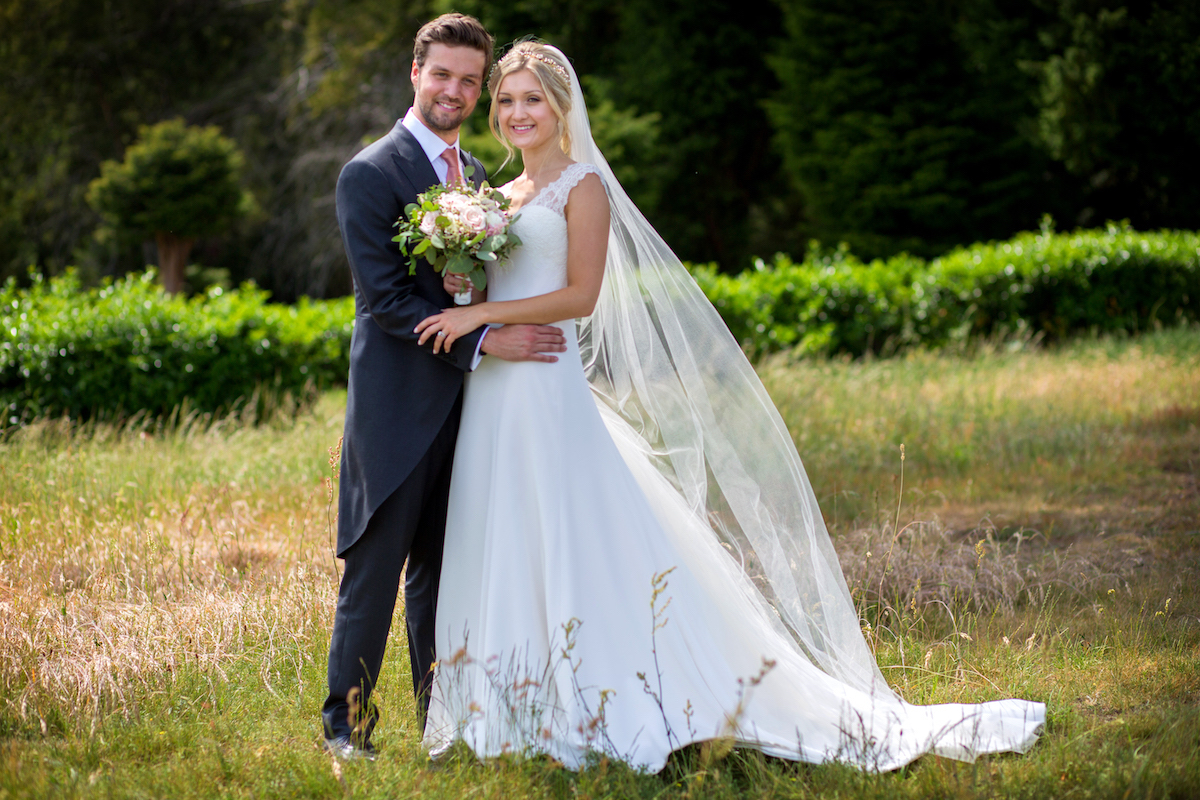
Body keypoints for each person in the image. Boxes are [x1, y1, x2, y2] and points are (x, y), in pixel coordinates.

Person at [415, 42, 1045, 772]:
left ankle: (598, 697)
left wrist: (475, 322)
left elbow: (581, 297)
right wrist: (467, 298)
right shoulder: (494, 196)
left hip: (547, 382)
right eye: (507, 102)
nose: (517, 114)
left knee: (562, 526)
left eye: (532, 100)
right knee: (502, 526)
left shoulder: (582, 187)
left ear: (561, 109)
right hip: (495, 387)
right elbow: (486, 289)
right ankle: (507, 704)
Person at [322, 16, 569, 761]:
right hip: (398, 413)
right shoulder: (371, 172)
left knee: (445, 571)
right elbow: (386, 302)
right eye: (443, 76)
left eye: (469, 81)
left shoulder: (484, 179)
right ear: (415, 72)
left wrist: (476, 302)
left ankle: (444, 723)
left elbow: (475, 280)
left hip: (474, 412)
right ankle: (346, 729)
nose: (454, 92)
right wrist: (489, 337)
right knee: (376, 574)